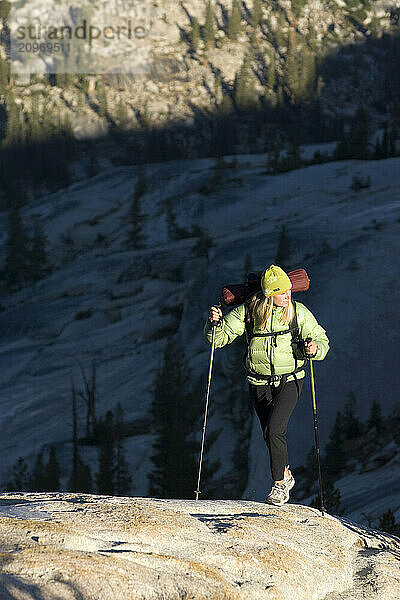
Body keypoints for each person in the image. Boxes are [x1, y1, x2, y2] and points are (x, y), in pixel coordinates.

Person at [204, 264, 329, 506]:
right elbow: (217, 340)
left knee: (274, 430)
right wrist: (214, 324)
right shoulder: (248, 313)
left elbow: (322, 339)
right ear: (269, 295)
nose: (288, 296)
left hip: (291, 380)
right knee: (268, 433)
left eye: (289, 291)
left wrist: (315, 349)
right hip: (258, 382)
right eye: (282, 293)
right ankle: (286, 475)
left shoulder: (298, 312)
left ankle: (280, 486)